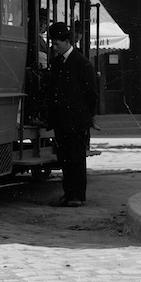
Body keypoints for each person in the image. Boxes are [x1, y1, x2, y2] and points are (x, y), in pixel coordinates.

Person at [46, 21, 98, 207]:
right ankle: (68, 194)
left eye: (57, 44)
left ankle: (77, 196)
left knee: (76, 158)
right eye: (53, 44)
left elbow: (92, 95)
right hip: (62, 121)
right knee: (65, 159)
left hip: (76, 121)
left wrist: (87, 117)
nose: (55, 47)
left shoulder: (81, 63)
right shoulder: (57, 62)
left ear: (66, 41)